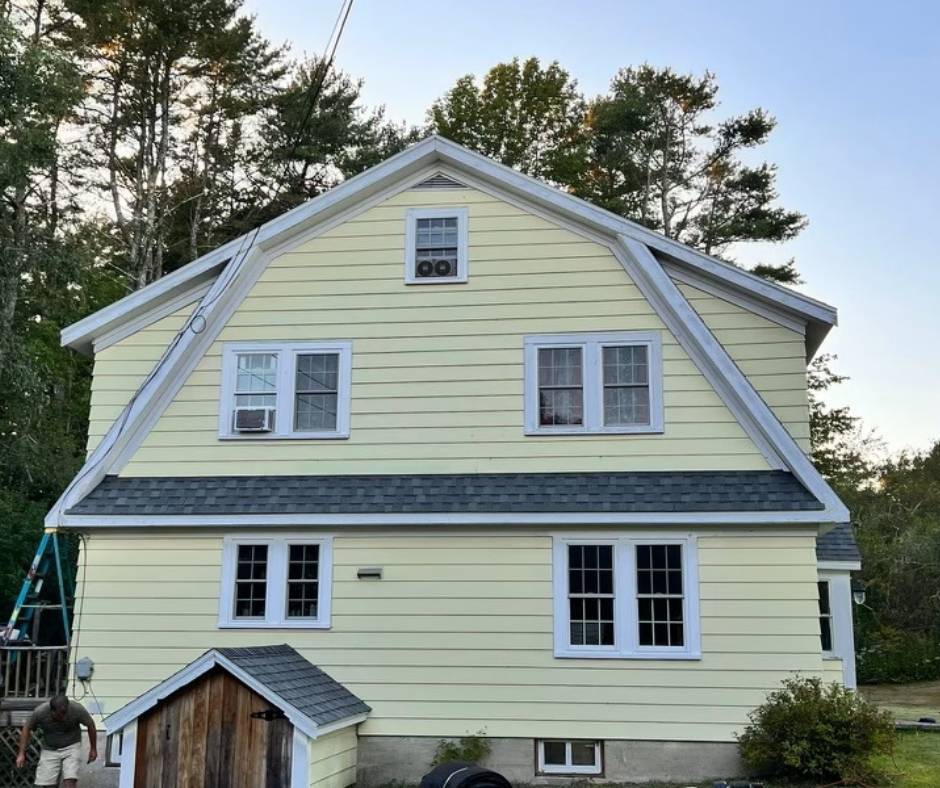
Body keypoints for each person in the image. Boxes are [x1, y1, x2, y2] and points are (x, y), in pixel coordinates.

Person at [16, 694, 98, 787]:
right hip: (49, 748)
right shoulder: (40, 712)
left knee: (70, 779)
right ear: (52, 711)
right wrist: (21, 754)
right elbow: (26, 728)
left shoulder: (77, 709)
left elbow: (91, 725)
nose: (63, 717)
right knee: (47, 783)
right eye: (60, 715)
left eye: (65, 713)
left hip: (71, 746)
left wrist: (93, 749)